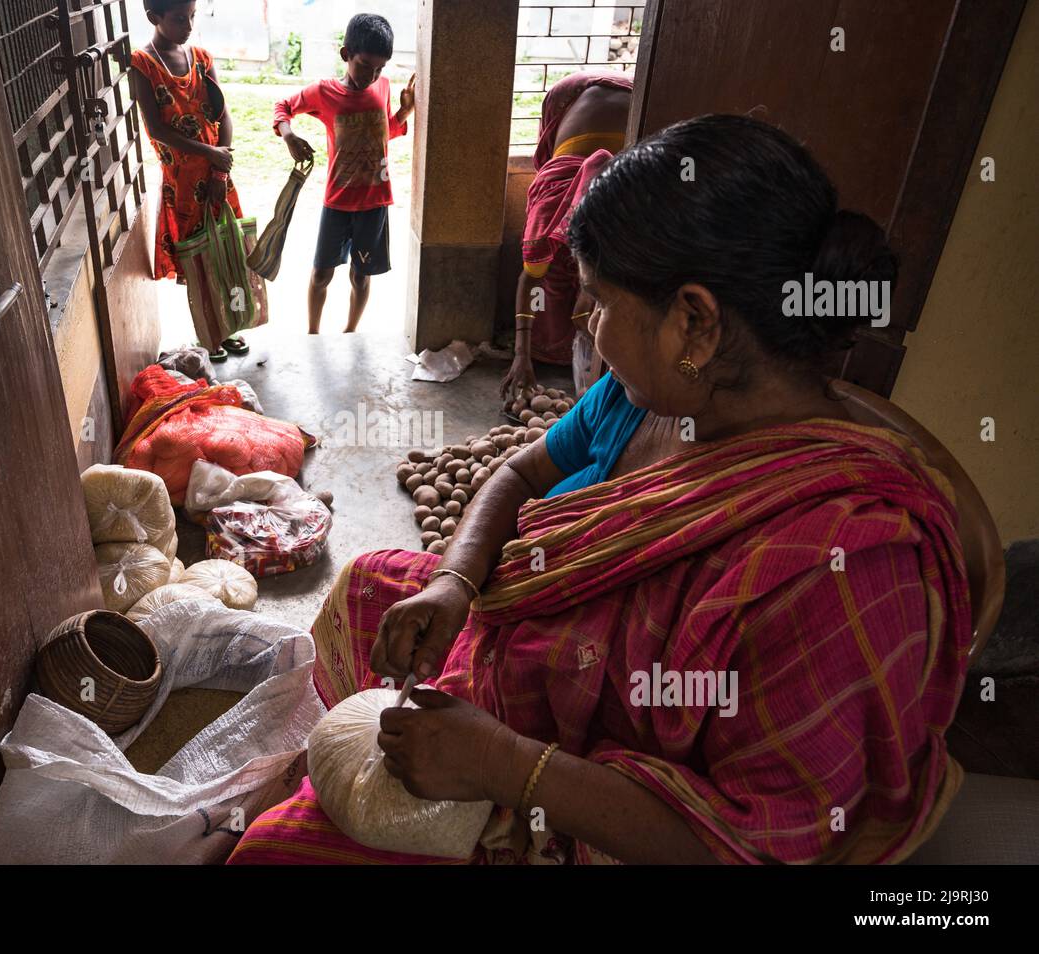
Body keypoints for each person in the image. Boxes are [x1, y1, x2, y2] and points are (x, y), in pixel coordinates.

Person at [228, 115, 973, 865]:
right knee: (367, 588)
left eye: (601, 302)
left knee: (271, 854)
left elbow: (752, 847)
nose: (584, 322)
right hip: (533, 657)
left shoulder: (842, 570)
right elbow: (520, 473)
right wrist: (455, 582)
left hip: (594, 797)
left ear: (694, 323)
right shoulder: (646, 393)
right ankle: (325, 775)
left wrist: (508, 767)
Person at [273, 14, 415, 334]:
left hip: (374, 201)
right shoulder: (324, 93)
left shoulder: (383, 87)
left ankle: (350, 332)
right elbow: (282, 106)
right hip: (337, 201)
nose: (373, 74)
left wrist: (404, 111)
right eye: (365, 65)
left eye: (380, 68)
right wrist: (289, 136)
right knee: (322, 273)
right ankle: (313, 334)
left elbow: (380, 134)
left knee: (361, 275)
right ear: (345, 54)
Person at [502, 71, 633, 399]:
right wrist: (522, 355)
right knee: (549, 281)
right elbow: (531, 282)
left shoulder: (625, 224)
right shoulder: (547, 222)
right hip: (573, 94)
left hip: (633, 95)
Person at [130, 0, 249, 360]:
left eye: (192, 16)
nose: (189, 25)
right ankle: (207, 333)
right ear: (154, 18)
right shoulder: (144, 65)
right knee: (196, 262)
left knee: (223, 250)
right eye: (180, 18)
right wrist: (210, 154)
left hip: (217, 176)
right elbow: (157, 129)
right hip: (182, 185)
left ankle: (227, 328)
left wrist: (219, 166)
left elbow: (223, 116)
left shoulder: (201, 57)